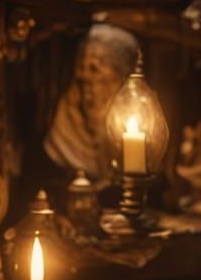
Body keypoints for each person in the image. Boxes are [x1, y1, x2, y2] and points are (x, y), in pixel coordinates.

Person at [44, 23, 139, 181]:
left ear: (119, 78)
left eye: (95, 69)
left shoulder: (136, 126)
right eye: (82, 68)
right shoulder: (65, 122)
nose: (85, 78)